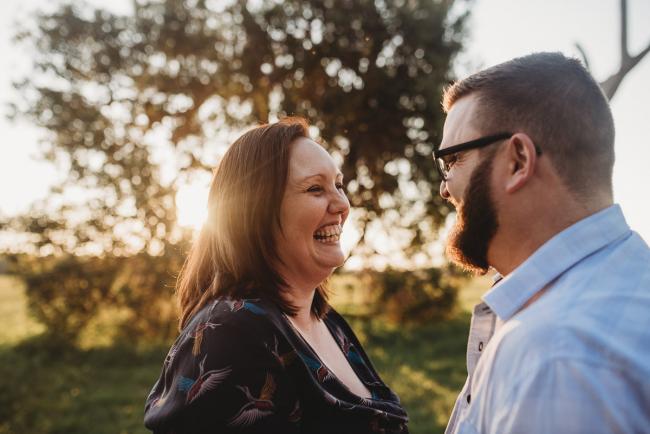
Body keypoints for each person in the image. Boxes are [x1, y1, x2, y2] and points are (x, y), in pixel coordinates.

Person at [144, 118, 408, 434]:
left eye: (338, 185)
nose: (342, 204)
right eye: (315, 188)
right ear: (256, 212)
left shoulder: (327, 322)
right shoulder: (231, 335)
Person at [434, 52, 650, 434]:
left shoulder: (553, 355)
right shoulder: (633, 280)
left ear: (518, 160)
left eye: (452, 160)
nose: (443, 188)